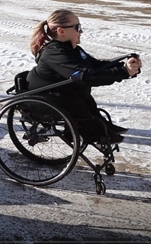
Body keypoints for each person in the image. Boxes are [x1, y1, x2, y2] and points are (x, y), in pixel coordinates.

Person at [27, 9, 142, 144]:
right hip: (45, 98)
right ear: (61, 31)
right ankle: (96, 134)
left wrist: (123, 66)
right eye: (77, 27)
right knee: (78, 97)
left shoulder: (73, 49)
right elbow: (85, 76)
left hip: (60, 92)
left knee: (84, 95)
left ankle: (101, 127)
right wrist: (123, 72)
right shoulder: (55, 53)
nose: (81, 31)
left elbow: (96, 66)